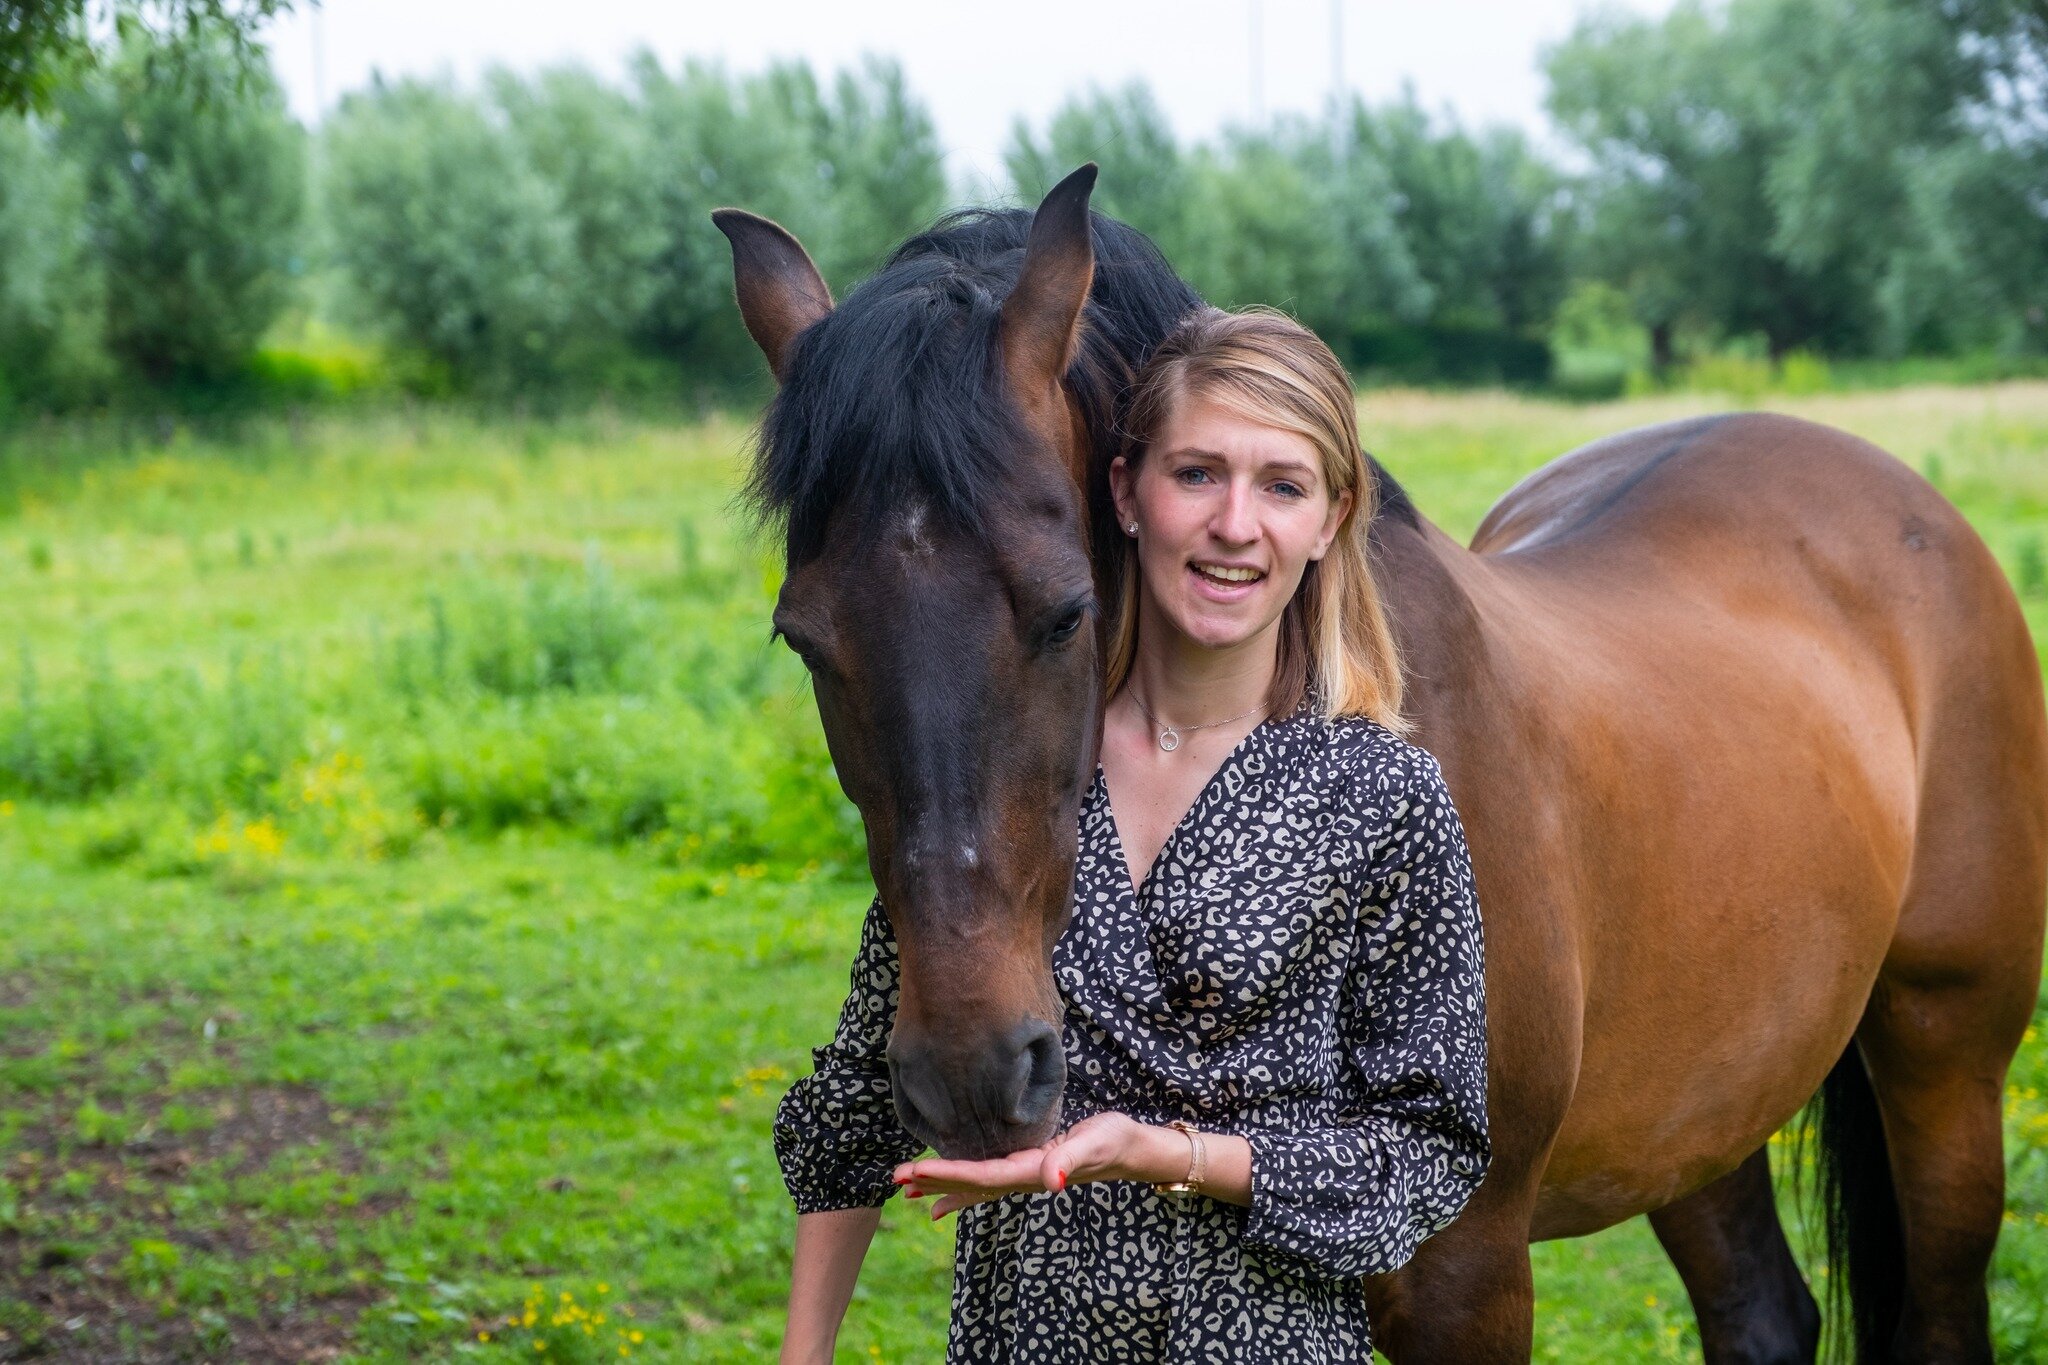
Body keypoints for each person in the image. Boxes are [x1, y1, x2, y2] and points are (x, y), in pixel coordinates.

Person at [773, 306, 1492, 1364]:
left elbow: (1426, 1151)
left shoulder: (1382, 795)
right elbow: (853, 1108)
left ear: (1330, 519)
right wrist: (802, 1355)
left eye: (1282, 486)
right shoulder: (1005, 759)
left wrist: (1163, 1154)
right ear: (1122, 492)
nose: (1234, 525)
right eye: (1196, 473)